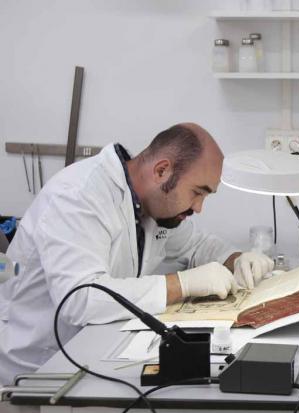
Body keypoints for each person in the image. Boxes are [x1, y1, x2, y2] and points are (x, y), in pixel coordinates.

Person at [0, 123, 274, 386]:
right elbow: (80, 298)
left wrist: (237, 258)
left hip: (95, 352)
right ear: (162, 171)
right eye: (196, 193)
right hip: (39, 370)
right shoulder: (78, 196)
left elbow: (197, 245)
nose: (199, 208)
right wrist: (181, 285)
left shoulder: (152, 205)